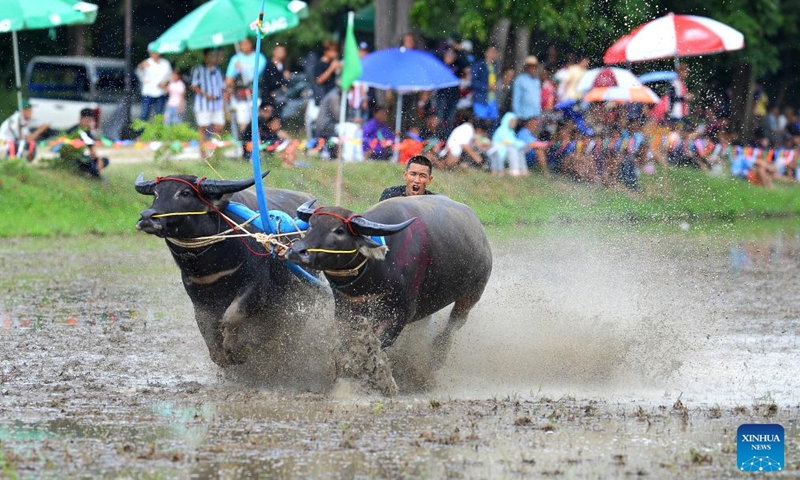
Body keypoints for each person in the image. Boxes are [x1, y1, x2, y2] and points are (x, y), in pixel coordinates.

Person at [225, 37, 267, 136]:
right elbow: (229, 78)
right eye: (242, 44)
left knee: (256, 122)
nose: (244, 46)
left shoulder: (260, 57)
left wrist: (241, 70)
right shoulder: (235, 59)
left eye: (246, 43)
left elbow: (254, 76)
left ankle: (258, 144)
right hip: (241, 96)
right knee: (243, 123)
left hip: (256, 95)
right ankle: (246, 146)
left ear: (251, 44)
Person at [191, 49, 226, 158]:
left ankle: (215, 152)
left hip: (217, 104)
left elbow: (222, 87)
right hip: (203, 104)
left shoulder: (217, 70)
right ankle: (203, 154)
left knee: (219, 126)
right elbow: (194, 86)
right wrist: (206, 95)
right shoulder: (198, 69)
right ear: (205, 56)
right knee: (203, 129)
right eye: (210, 55)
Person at [62, 108, 109, 178]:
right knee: (87, 162)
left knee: (104, 160)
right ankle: (93, 174)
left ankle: (92, 171)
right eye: (87, 121)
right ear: (80, 119)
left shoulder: (87, 132)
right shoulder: (73, 131)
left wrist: (98, 160)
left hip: (83, 157)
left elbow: (92, 149)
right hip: (73, 157)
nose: (89, 123)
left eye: (90, 121)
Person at [136, 46, 172, 121]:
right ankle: (141, 132)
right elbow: (138, 73)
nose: (154, 54)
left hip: (160, 92)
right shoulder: (147, 62)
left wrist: (165, 83)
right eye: (152, 52)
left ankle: (158, 132)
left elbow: (170, 76)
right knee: (144, 114)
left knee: (159, 115)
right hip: (148, 92)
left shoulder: (165, 63)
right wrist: (141, 67)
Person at [490, 112, 528, 177]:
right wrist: (521, 144)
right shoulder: (501, 130)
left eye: (514, 121)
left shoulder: (511, 132)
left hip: (506, 152)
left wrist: (521, 144)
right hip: (499, 153)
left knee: (520, 150)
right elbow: (508, 142)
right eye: (512, 121)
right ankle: (514, 170)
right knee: (512, 148)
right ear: (506, 121)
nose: (514, 123)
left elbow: (514, 141)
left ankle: (523, 170)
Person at [471, 45, 500, 125]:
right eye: (491, 51)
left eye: (495, 52)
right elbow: (474, 82)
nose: (493, 54)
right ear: (485, 53)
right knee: (481, 123)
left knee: (493, 123)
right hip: (481, 99)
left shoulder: (494, 67)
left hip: (492, 99)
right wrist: (487, 87)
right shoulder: (479, 65)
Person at [261, 44, 289, 117]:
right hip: (270, 98)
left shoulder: (283, 65)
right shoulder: (269, 65)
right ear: (274, 52)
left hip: (279, 98)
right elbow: (267, 83)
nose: (281, 53)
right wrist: (267, 102)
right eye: (279, 51)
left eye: (283, 51)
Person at [512, 56, 542, 121]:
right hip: (523, 115)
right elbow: (516, 98)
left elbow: (537, 98)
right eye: (530, 66)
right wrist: (517, 115)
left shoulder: (537, 81)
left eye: (534, 66)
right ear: (526, 67)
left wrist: (538, 114)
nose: (533, 68)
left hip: (535, 115)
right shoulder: (519, 79)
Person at [313, 41, 339, 106]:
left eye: (336, 50)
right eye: (333, 51)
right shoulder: (319, 64)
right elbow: (319, 80)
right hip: (323, 96)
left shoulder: (331, 63)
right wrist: (331, 69)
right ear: (326, 51)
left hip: (333, 94)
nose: (335, 53)